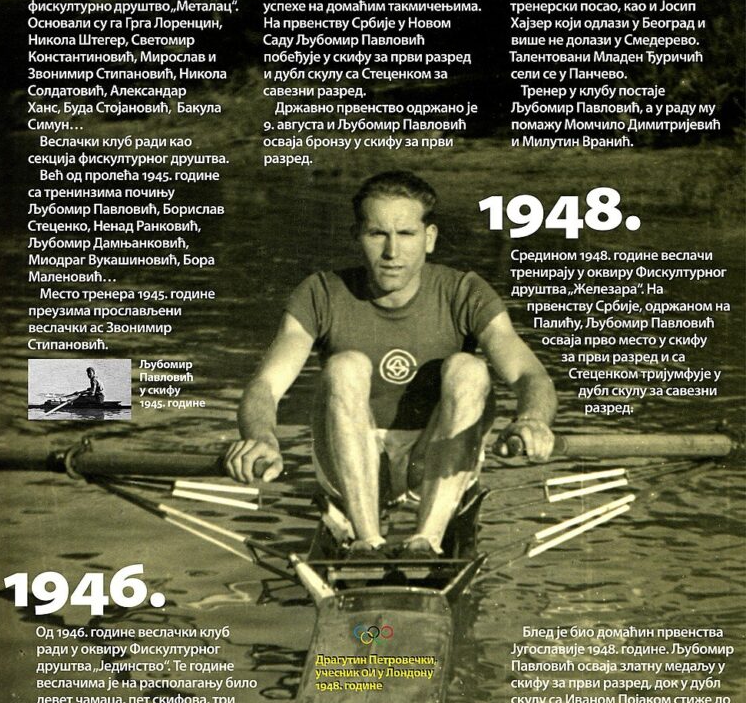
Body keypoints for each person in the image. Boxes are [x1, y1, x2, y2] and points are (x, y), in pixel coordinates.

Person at [227, 171, 556, 557]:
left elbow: (529, 375)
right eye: (377, 234)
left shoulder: (465, 292)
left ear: (429, 238)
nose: (391, 252)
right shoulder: (320, 293)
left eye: (406, 234)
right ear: (357, 236)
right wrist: (261, 437)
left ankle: (426, 542)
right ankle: (367, 542)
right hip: (347, 456)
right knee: (345, 366)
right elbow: (265, 386)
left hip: (434, 456)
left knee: (469, 368)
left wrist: (533, 420)